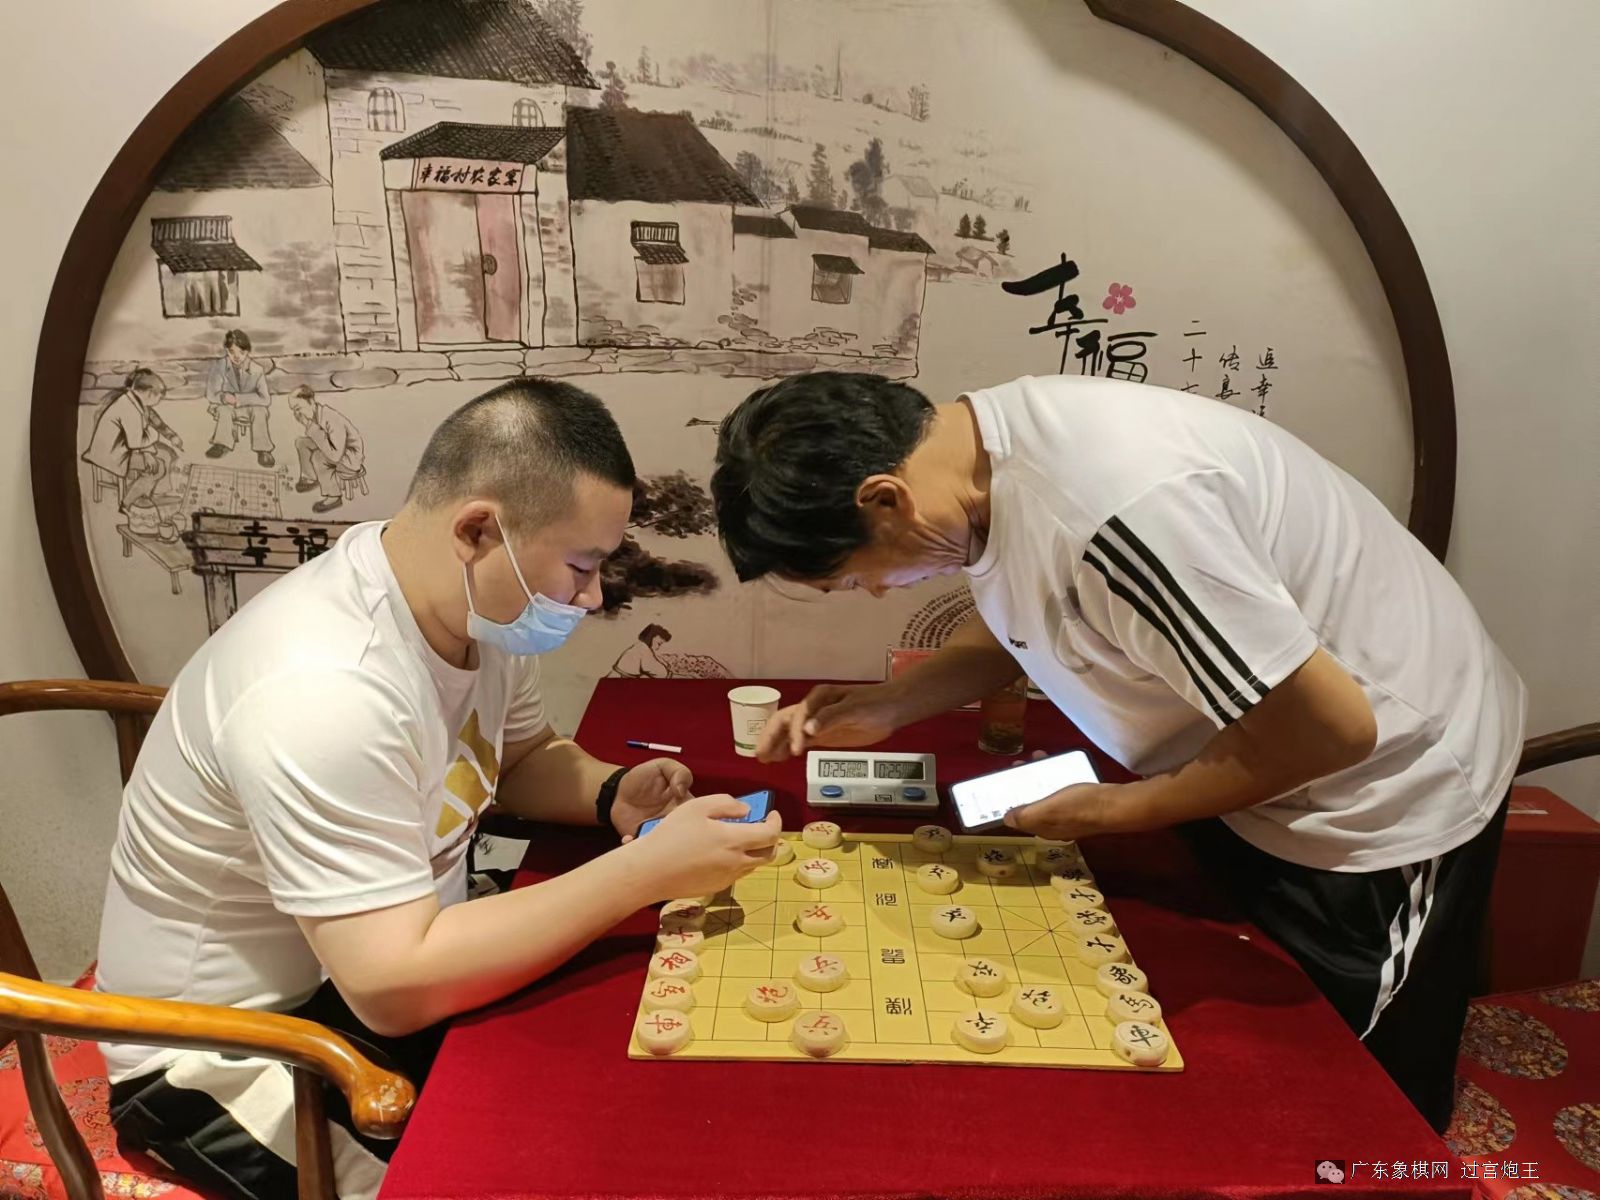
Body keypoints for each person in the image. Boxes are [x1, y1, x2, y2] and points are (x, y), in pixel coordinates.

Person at [710, 370, 1526, 1133]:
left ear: (885, 499)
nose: (875, 592)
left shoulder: (1118, 512)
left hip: (1380, 785)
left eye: (856, 574)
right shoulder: (982, 453)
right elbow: (1030, 604)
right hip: (1248, 753)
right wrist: (895, 703)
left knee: (1345, 1088)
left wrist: (1118, 809)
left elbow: (1330, 731)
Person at [97, 379, 781, 1199]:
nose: (594, 596)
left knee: (609, 1104)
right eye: (582, 565)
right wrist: (644, 872)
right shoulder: (324, 691)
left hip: (381, 958)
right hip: (231, 1048)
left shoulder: (465, 610)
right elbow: (393, 990)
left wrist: (611, 794)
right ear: (478, 530)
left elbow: (519, 758)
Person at [81, 367, 183, 510]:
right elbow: (136, 442)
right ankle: (129, 502)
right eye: (159, 397)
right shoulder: (128, 407)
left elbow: (153, 425)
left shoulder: (135, 402)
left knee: (168, 453)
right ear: (149, 393)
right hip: (112, 454)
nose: (159, 400)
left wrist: (171, 437)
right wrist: (150, 446)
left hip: (124, 448)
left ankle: (155, 493)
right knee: (157, 467)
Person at [290, 384, 366, 513]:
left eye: (298, 408)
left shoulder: (330, 418)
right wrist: (310, 426)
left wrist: (310, 427)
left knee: (318, 457)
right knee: (301, 443)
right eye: (293, 410)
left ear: (311, 402)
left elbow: (335, 455)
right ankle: (311, 478)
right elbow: (324, 440)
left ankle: (333, 497)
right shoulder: (315, 415)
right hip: (336, 450)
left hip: (350, 457)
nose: (297, 414)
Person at [206, 328, 275, 467]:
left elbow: (265, 399)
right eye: (232, 352)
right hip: (227, 406)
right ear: (227, 351)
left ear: (247, 351)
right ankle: (221, 444)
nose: (236, 356)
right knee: (225, 410)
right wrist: (224, 397)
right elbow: (211, 394)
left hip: (249, 408)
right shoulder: (219, 366)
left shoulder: (257, 369)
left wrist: (238, 399)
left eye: (241, 352)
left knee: (260, 411)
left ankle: (263, 450)